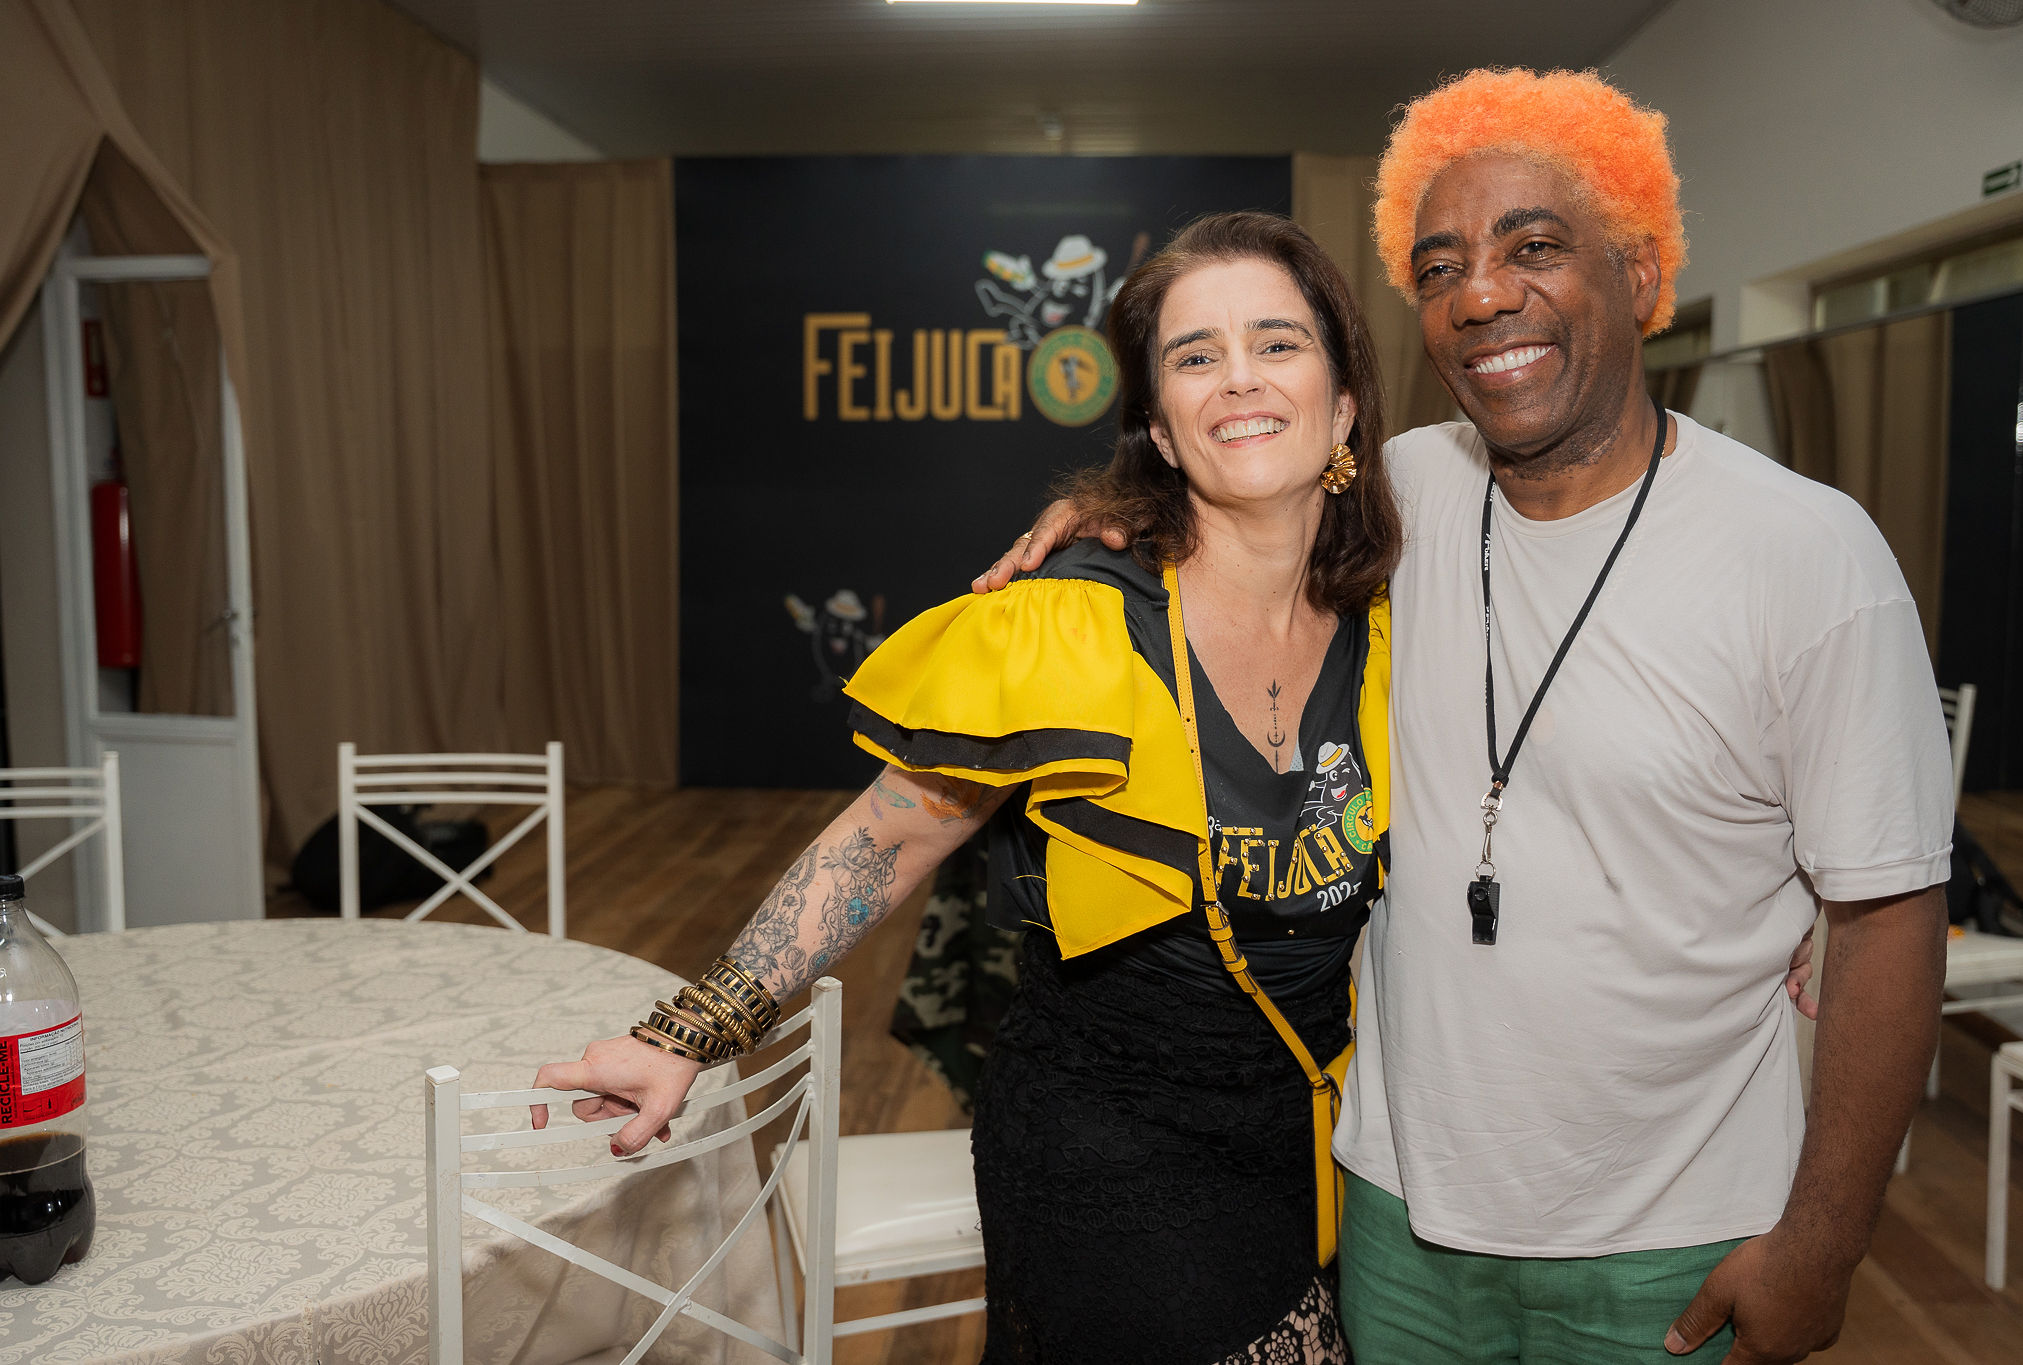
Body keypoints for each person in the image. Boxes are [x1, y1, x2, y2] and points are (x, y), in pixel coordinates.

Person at [982, 68, 1948, 1365]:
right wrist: (1103, 519)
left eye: (1532, 248)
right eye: (1439, 267)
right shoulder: (1389, 503)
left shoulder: (1807, 555)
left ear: (1640, 273)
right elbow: (1218, 506)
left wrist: (1824, 1244)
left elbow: (1888, 915)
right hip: (1396, 1221)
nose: (1481, 295)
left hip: (1673, 1243)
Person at [534, 210, 1405, 1365]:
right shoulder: (1068, 621)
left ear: (1342, 404)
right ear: (1157, 424)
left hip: (1318, 1131)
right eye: (1195, 355)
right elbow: (887, 837)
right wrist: (688, 1033)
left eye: (1276, 343)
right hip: (1110, 1145)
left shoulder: (1394, 622)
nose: (1237, 378)